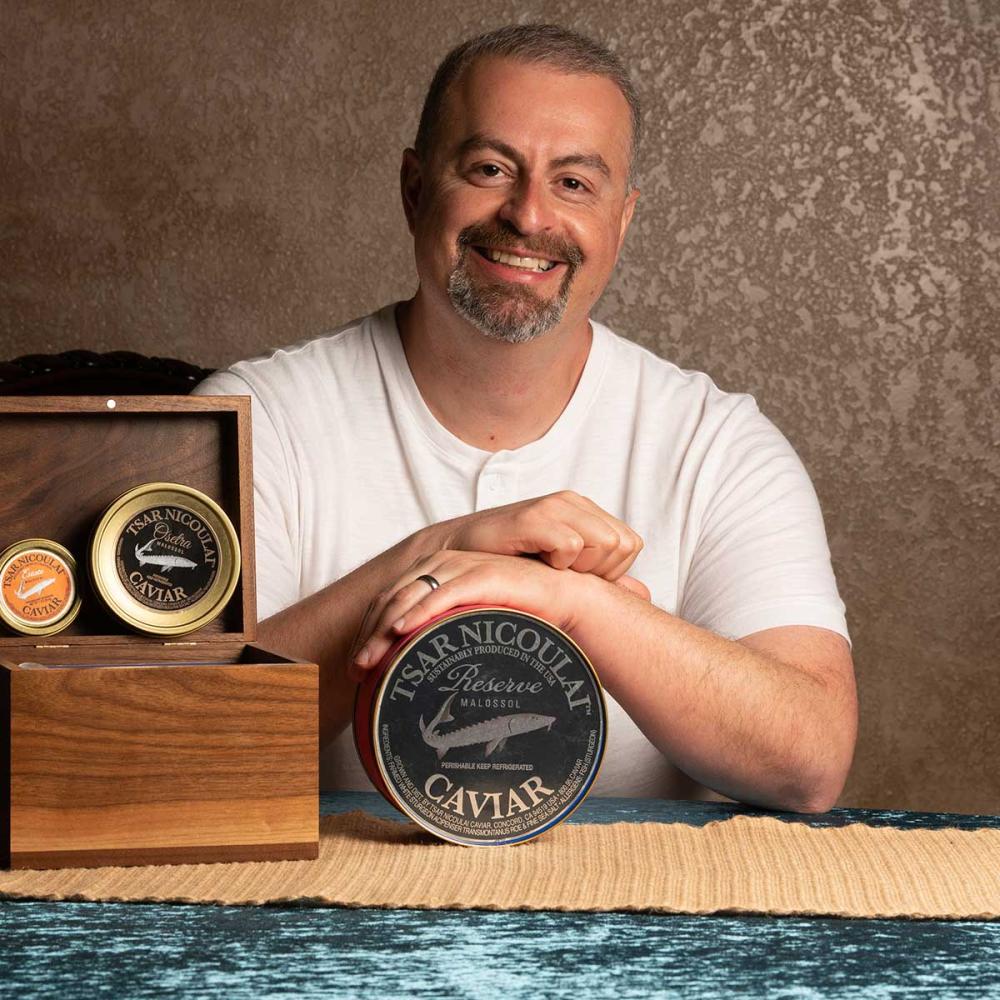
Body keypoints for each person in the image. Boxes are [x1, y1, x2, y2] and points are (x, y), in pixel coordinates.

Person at [195, 24, 857, 812]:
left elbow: (810, 761)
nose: (530, 214)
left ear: (623, 220)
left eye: (575, 183)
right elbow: (171, 750)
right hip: (322, 915)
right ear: (414, 188)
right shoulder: (250, 419)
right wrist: (440, 553)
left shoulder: (719, 446)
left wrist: (577, 604)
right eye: (489, 168)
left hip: (634, 921)